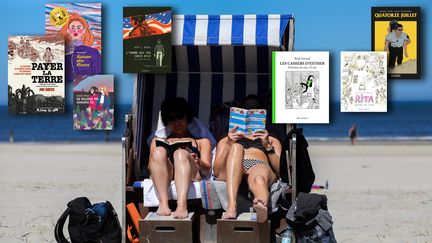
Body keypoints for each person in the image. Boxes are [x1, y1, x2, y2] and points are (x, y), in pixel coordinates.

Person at [213, 95, 282, 223]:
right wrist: (229, 143)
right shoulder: (227, 137)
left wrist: (267, 146)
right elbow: (216, 171)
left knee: (259, 179)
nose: (251, 110)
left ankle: (261, 207)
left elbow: (280, 171)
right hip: (232, 166)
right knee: (236, 148)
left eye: (256, 108)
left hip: (257, 165)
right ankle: (232, 206)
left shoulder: (271, 137)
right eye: (247, 108)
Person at [148, 97, 212, 219]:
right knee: (158, 152)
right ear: (167, 122)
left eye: (180, 116)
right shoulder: (157, 141)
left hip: (192, 172)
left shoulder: (203, 142)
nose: (176, 122)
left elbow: (206, 171)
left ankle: (182, 205)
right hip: (168, 172)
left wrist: (198, 162)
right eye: (171, 119)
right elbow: (150, 167)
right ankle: (163, 203)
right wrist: (163, 158)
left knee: (180, 153)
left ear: (187, 118)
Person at [57, 14, 101, 81]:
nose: (75, 31)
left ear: (83, 30)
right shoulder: (60, 51)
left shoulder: (93, 53)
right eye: (72, 28)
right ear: (68, 30)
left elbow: (98, 75)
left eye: (79, 28)